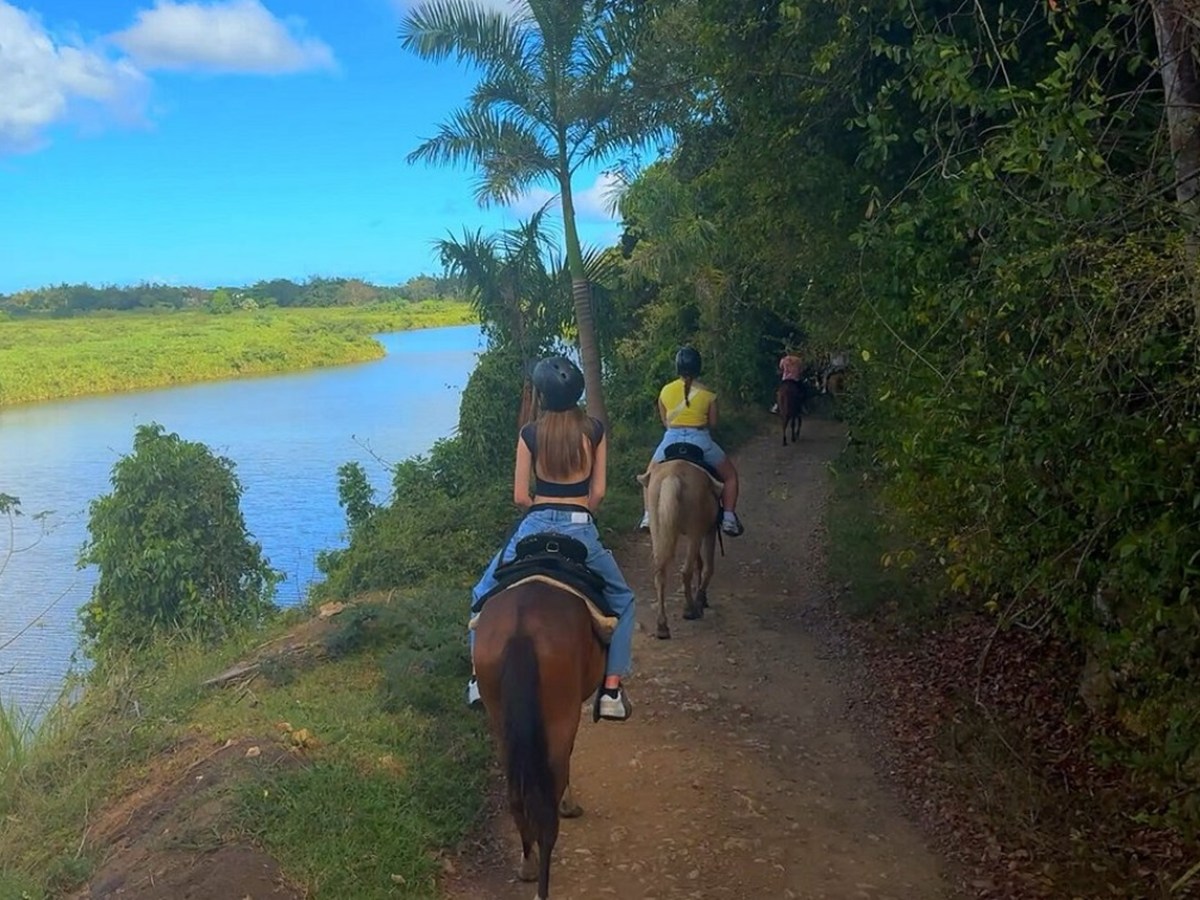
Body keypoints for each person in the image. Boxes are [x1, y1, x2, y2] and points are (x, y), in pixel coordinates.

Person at [465, 356, 636, 721]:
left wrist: (541, 509)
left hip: (534, 524)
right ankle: (611, 691)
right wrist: (582, 513)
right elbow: (600, 491)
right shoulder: (594, 431)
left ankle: (478, 680)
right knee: (623, 599)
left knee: (481, 593)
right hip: (580, 525)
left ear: (541, 396)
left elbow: (520, 498)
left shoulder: (529, 434)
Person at [638, 346, 744, 537]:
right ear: (698, 367)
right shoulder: (709, 394)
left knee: (648, 477)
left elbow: (665, 421)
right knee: (730, 476)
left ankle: (648, 516)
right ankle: (728, 517)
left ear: (677, 367)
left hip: (671, 438)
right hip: (701, 439)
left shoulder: (665, 391)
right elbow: (712, 423)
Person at [771, 345, 805, 414]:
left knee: (776, 391)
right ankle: (802, 406)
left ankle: (776, 405)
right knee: (803, 391)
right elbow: (801, 370)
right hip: (795, 380)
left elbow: (781, 368)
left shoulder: (783, 360)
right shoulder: (798, 360)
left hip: (785, 379)